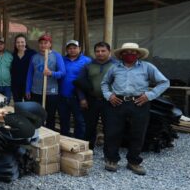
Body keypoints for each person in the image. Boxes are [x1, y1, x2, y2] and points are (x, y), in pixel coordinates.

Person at [101, 42, 170, 175]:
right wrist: (109, 95)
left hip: (139, 102)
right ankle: (112, 159)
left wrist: (149, 95)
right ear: (121, 55)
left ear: (138, 54)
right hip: (117, 102)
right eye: (126, 52)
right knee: (113, 132)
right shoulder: (114, 68)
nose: (130, 54)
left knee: (138, 132)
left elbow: (164, 82)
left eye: (133, 52)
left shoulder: (147, 67)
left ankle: (134, 161)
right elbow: (104, 83)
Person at [76, 42, 117, 149]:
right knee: (90, 126)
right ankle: (88, 150)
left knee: (109, 127)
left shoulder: (117, 65)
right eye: (97, 51)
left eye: (103, 51)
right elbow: (79, 83)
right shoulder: (88, 66)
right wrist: (82, 99)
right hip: (92, 100)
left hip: (110, 101)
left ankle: (109, 153)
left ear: (109, 51)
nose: (100, 53)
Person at [26, 33, 65, 130]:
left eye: (45, 43)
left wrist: (51, 73)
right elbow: (30, 74)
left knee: (50, 116)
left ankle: (50, 134)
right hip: (36, 91)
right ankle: (37, 133)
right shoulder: (34, 57)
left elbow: (63, 73)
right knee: (36, 115)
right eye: (41, 43)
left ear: (50, 44)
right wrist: (27, 89)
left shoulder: (56, 56)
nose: (43, 45)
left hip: (51, 92)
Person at [58, 40, 92, 138]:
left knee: (80, 121)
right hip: (62, 96)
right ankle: (65, 140)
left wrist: (84, 97)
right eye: (70, 48)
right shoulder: (62, 60)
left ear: (79, 49)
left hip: (78, 97)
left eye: (74, 48)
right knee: (64, 120)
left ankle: (79, 141)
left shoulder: (87, 61)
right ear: (66, 50)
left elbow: (90, 78)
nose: (72, 50)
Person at [10, 33, 36, 103]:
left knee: (28, 106)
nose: (20, 44)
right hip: (16, 86)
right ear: (15, 44)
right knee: (18, 105)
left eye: (22, 42)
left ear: (25, 43)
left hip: (28, 85)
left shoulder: (32, 53)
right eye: (18, 42)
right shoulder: (13, 55)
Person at [0, 37, 14, 103]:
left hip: (7, 85)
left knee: (6, 104)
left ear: (4, 45)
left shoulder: (10, 56)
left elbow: (13, 70)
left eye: (1, 44)